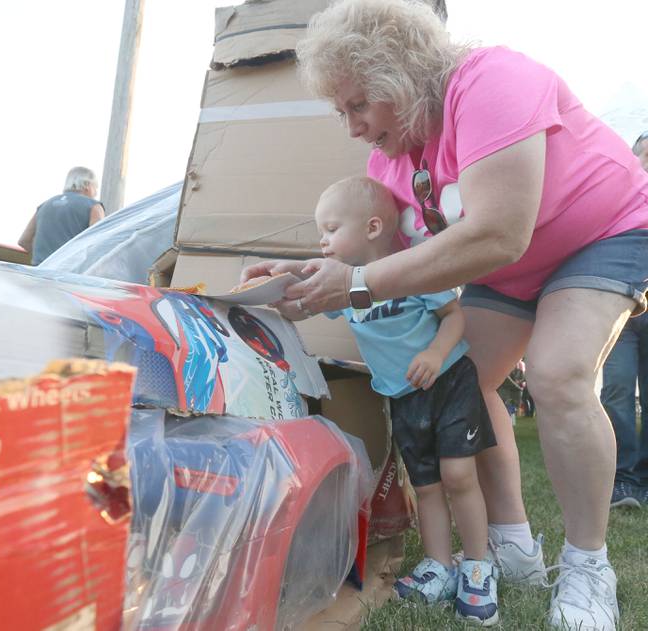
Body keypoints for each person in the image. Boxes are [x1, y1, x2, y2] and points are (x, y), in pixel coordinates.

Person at [240, 1, 648, 628]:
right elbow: (381, 256)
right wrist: (303, 275)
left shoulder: (493, 80)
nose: (351, 127)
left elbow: (500, 232)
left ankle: (589, 563)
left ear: (397, 77)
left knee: (559, 370)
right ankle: (512, 540)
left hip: (605, 233)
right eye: (340, 110)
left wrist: (352, 284)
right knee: (461, 380)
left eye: (357, 105)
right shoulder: (390, 162)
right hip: (509, 268)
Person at [308, 176, 499, 623]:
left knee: (458, 475)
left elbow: (453, 316)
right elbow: (307, 299)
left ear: (373, 227)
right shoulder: (347, 290)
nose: (323, 240)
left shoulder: (411, 269)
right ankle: (439, 565)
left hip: (448, 382)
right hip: (403, 397)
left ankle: (477, 566)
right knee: (427, 485)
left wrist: (434, 353)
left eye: (331, 229)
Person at [600, 132, 648, 509]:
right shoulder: (617, 191)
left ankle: (643, 478)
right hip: (620, 305)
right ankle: (623, 479)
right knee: (616, 390)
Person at [19, 166, 105, 264]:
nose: (96, 193)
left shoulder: (44, 205)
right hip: (69, 274)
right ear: (87, 185)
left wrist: (46, 258)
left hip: (38, 272)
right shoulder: (93, 206)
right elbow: (98, 243)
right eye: (95, 187)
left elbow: (24, 241)